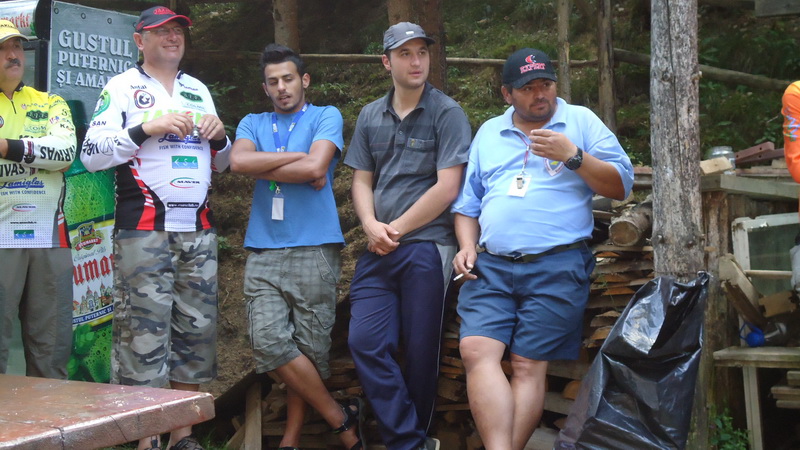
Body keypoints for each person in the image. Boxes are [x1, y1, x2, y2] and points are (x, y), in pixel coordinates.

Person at [451, 47, 634, 450]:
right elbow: (467, 204)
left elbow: (621, 184)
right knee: (475, 349)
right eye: (528, 87)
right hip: (491, 264)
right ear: (507, 94)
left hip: (557, 263)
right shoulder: (489, 133)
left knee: (527, 364)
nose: (540, 94)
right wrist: (465, 245)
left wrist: (574, 157)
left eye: (546, 84)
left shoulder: (580, 121)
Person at [81, 6, 231, 450]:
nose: (172, 37)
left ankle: (182, 436)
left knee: (195, 336)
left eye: (178, 30)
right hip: (144, 231)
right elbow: (92, 153)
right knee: (143, 338)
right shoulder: (122, 86)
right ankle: (146, 440)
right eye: (161, 31)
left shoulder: (197, 89)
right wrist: (147, 127)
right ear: (139, 40)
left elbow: (225, 162)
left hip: (199, 231)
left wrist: (221, 137)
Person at [344, 22, 472, 450]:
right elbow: (362, 180)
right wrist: (369, 224)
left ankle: (410, 442)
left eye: (422, 52)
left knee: (420, 351)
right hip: (378, 249)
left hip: (428, 247)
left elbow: (448, 188)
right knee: (364, 341)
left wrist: (393, 230)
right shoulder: (369, 115)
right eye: (405, 54)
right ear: (386, 62)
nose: (416, 61)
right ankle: (411, 442)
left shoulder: (447, 113)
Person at [229, 44, 363, 450]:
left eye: (288, 78)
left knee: (308, 350)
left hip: (316, 247)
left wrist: (276, 163)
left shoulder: (326, 116)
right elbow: (238, 163)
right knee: (268, 342)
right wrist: (299, 160)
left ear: (304, 80)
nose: (282, 87)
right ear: (265, 88)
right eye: (273, 82)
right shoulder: (252, 122)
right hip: (264, 248)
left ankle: (290, 440)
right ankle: (341, 419)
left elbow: (316, 167)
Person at [0, 19, 76, 379]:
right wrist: (38, 159)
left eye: (17, 46)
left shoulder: (50, 102)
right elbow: (51, 157)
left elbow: (65, 153)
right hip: (1, 237)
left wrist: (6, 147)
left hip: (49, 236)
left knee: (51, 347)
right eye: (2, 48)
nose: (13, 54)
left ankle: (49, 417)